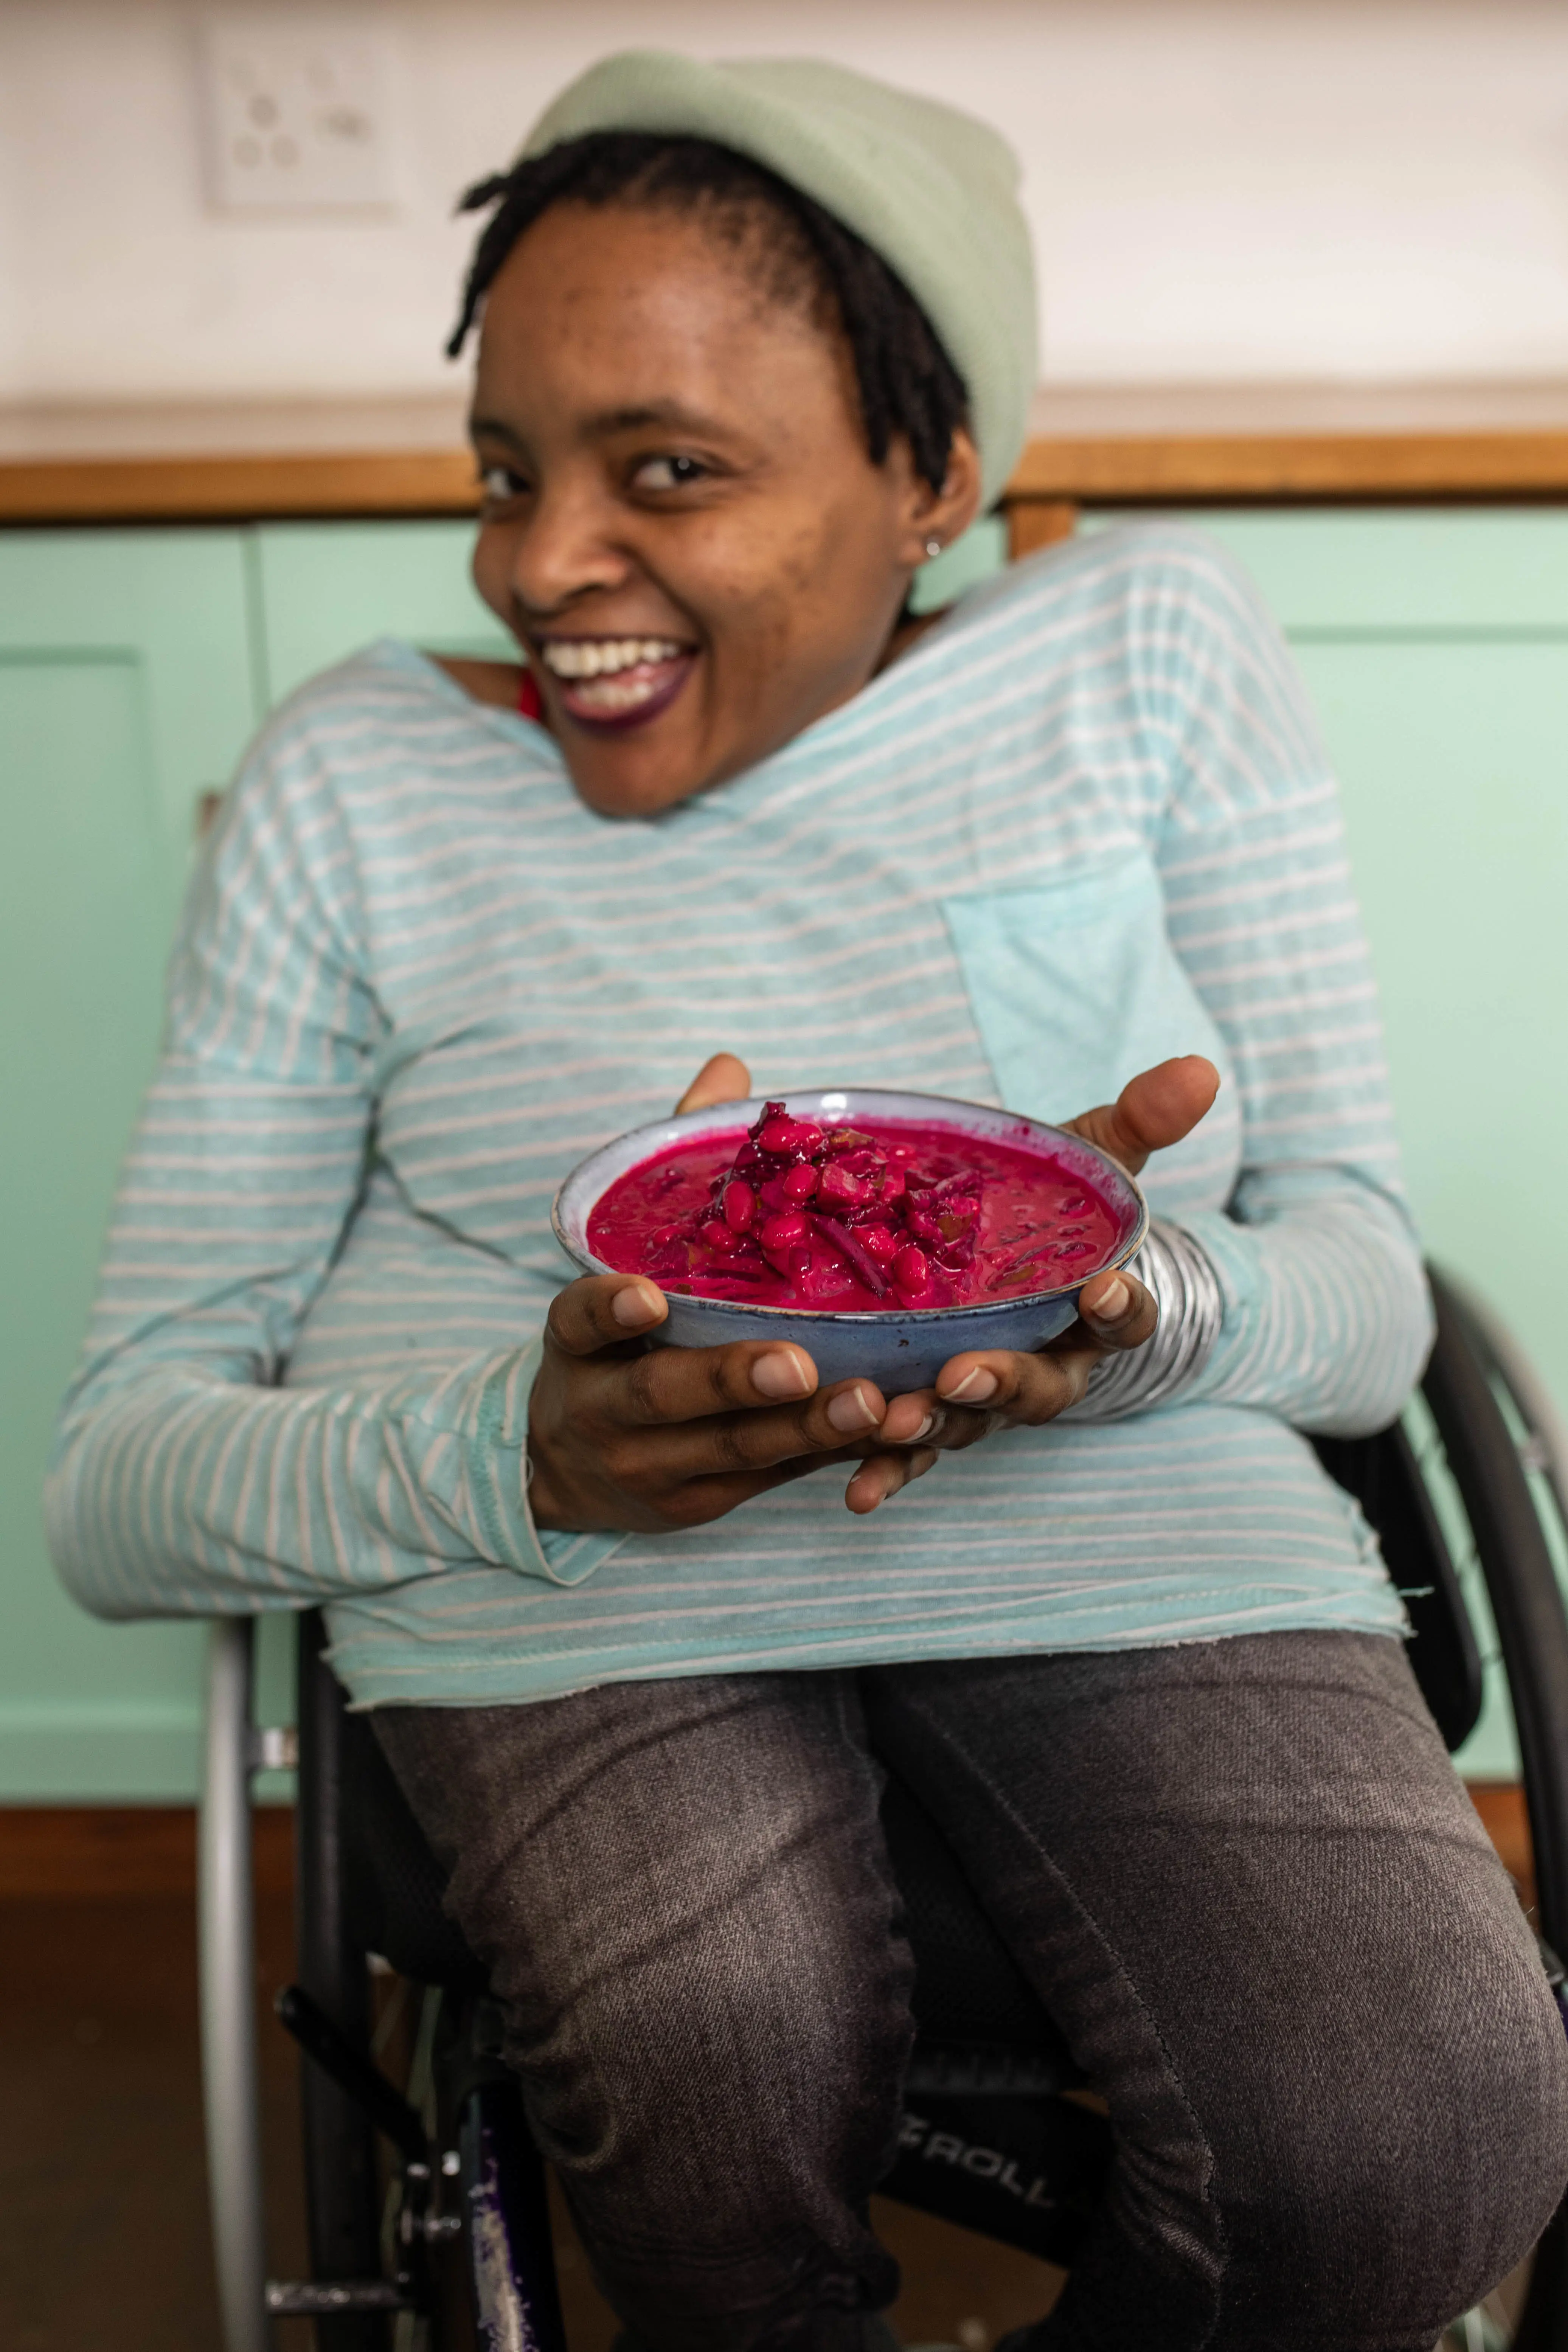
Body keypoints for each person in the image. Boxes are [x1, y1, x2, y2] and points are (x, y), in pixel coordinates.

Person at [47, 50, 1568, 2352]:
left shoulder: (1150, 660)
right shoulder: (350, 781)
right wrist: (512, 1455)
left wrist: (1138, 1300)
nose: (538, 562)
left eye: (667, 470)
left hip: (1137, 1539)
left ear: (933, 476)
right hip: (553, 1580)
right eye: (504, 470)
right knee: (713, 2033)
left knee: (1425, 2127)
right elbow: (117, 1479)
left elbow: (1360, 1274)